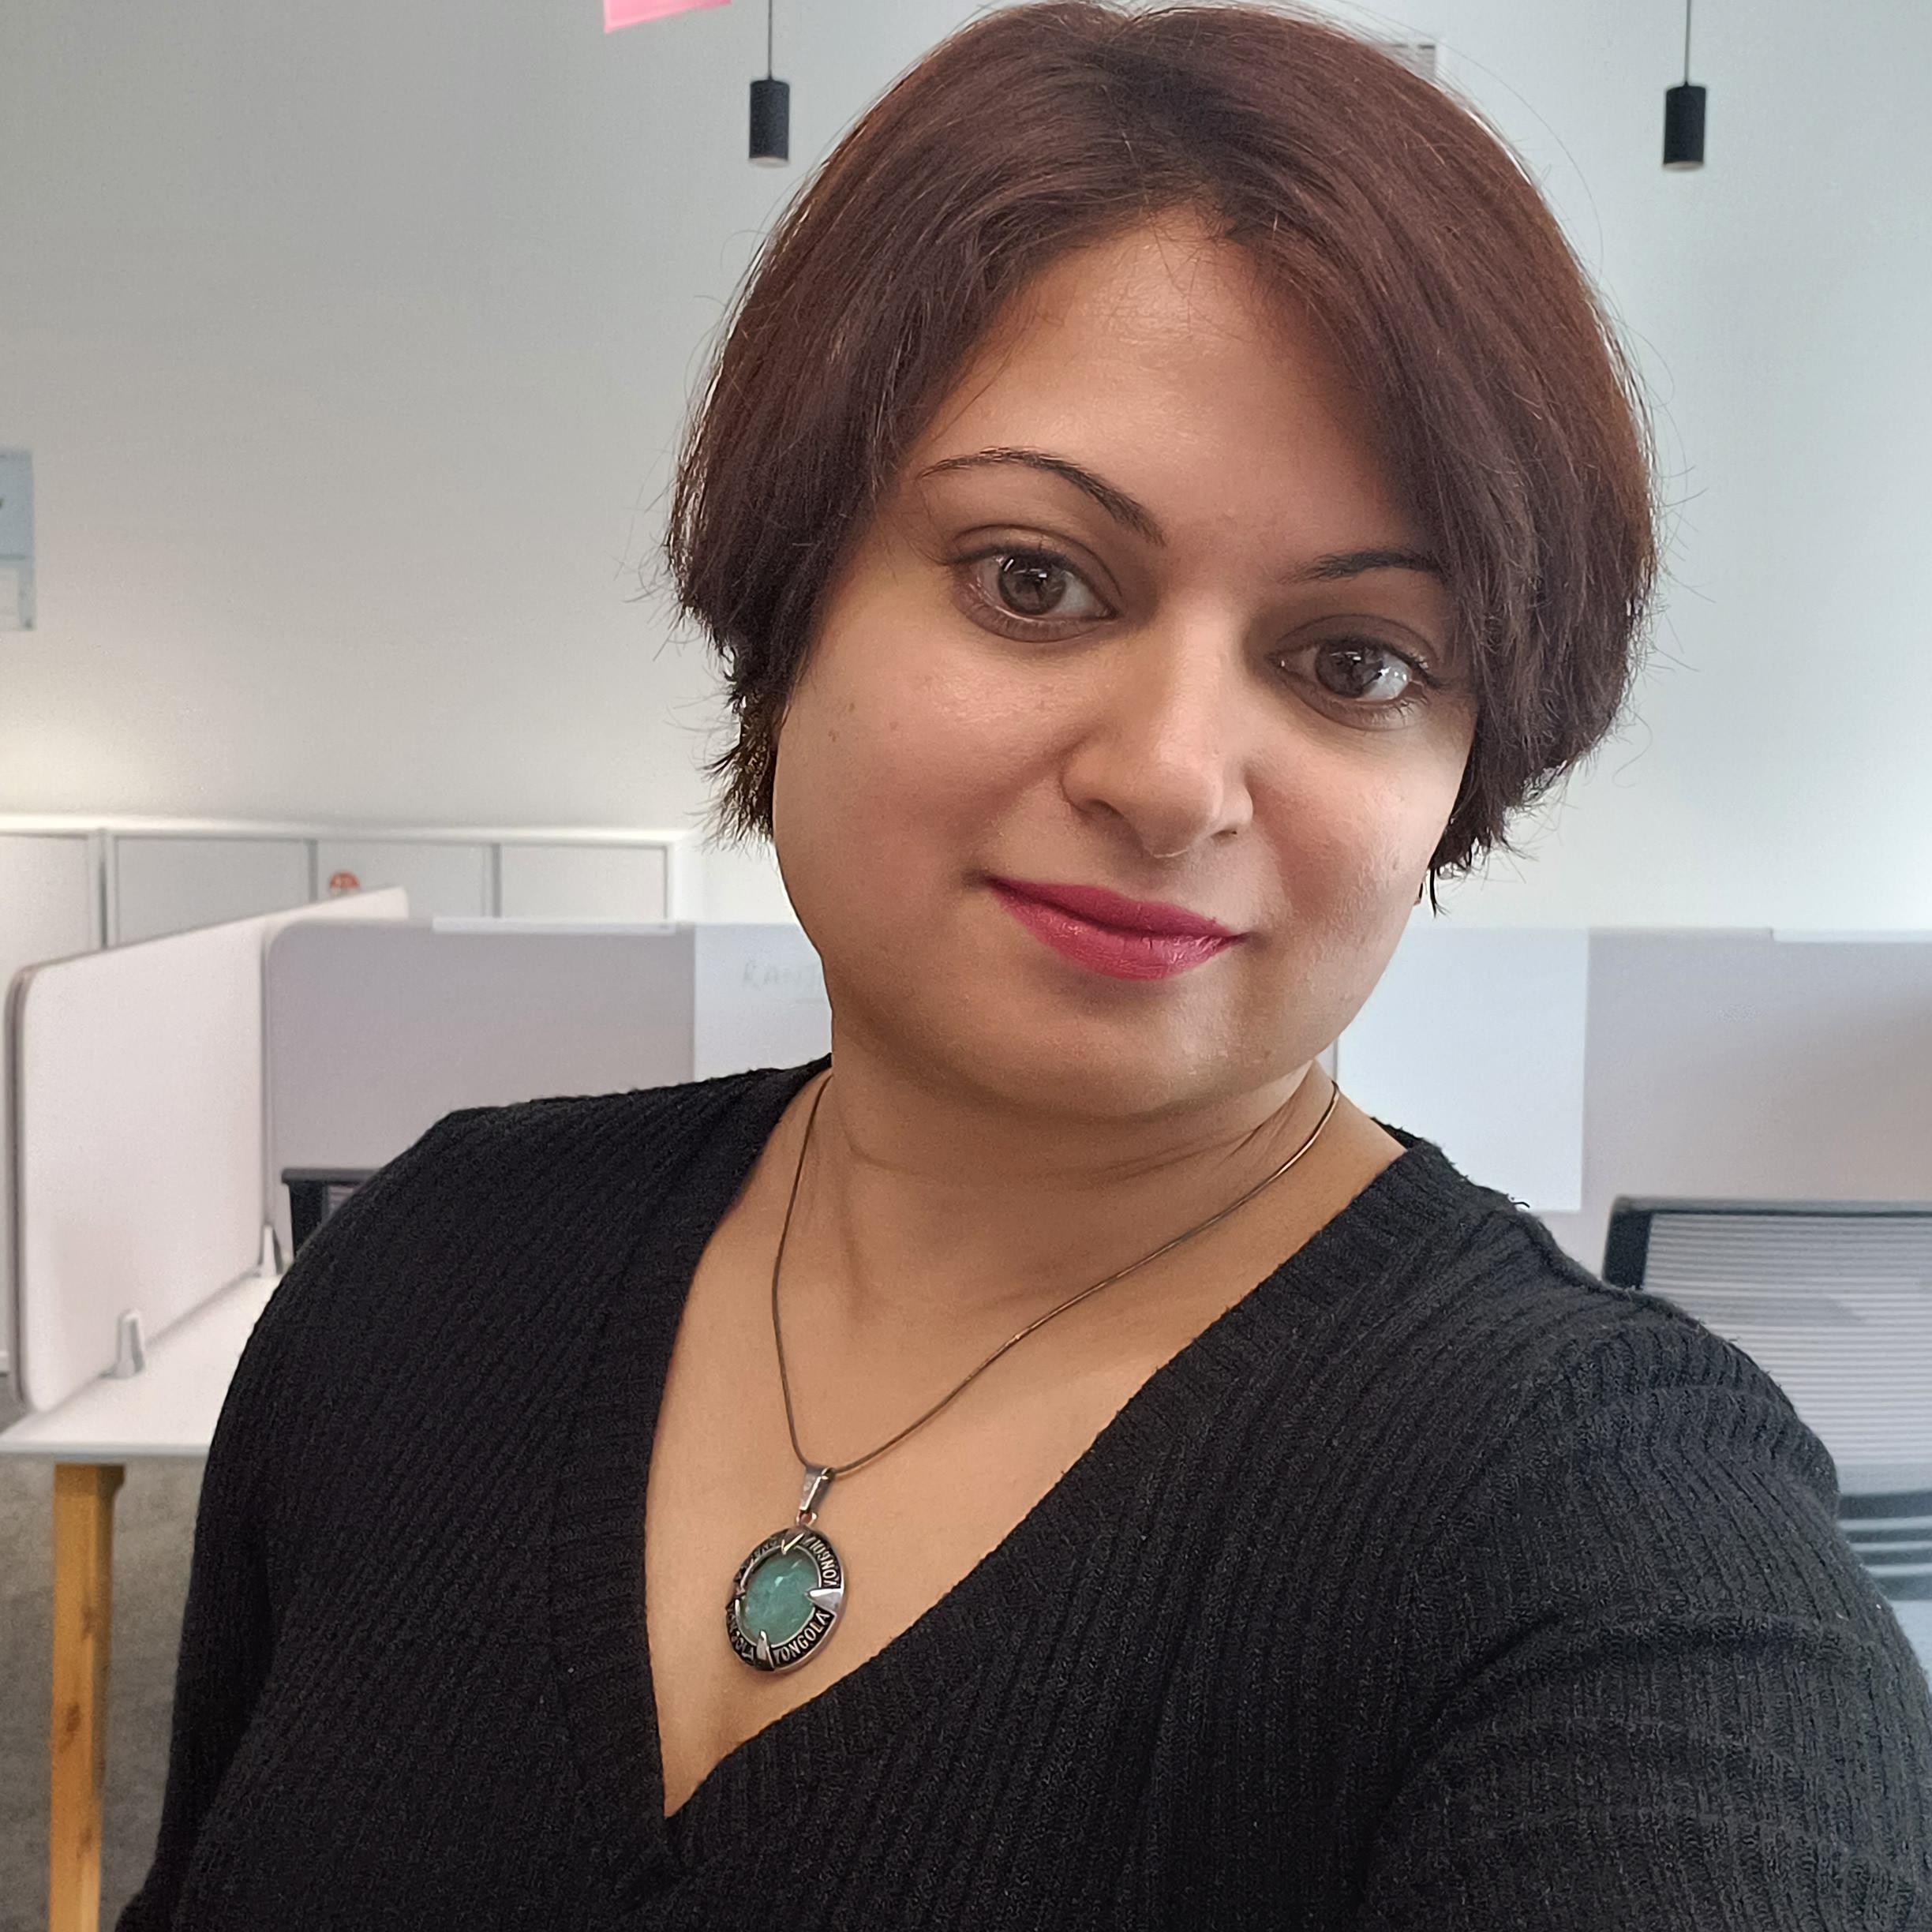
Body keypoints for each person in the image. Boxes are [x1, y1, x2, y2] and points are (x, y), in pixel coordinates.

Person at [122, 5, 1932, 1927]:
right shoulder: (427, 1277)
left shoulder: (1606, 1532)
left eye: (1355, 663)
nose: (1171, 778)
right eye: (1034, 577)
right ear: (793, 594)